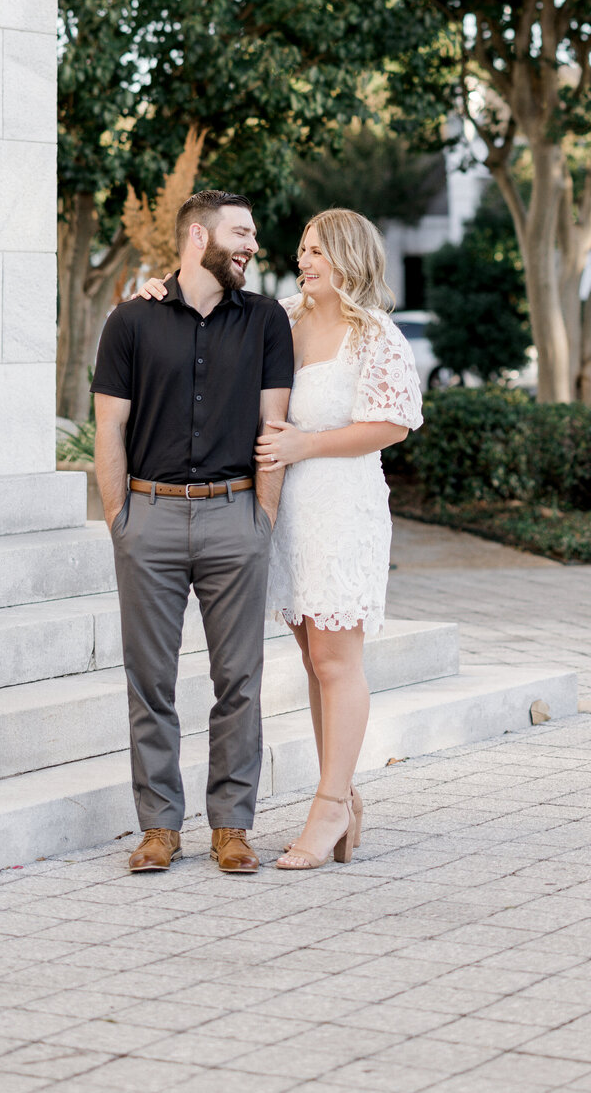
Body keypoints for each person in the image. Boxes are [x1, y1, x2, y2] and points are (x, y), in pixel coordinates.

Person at [137, 206, 423, 871]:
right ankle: (344, 800)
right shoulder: (282, 318)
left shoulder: (373, 333)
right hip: (286, 513)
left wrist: (307, 443)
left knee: (335, 660)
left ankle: (328, 808)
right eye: (301, 249)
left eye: (317, 250)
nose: (304, 259)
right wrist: (158, 291)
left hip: (342, 506)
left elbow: (392, 425)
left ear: (349, 256)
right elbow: (203, 298)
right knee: (311, 656)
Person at [92, 190, 294, 875]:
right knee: (149, 679)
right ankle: (157, 826)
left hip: (235, 515)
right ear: (196, 236)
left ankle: (233, 825)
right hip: (148, 518)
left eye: (255, 234)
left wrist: (261, 517)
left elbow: (275, 425)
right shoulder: (131, 319)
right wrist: (122, 519)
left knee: (239, 677)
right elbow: (108, 427)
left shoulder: (266, 320)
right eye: (242, 232)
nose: (252, 245)